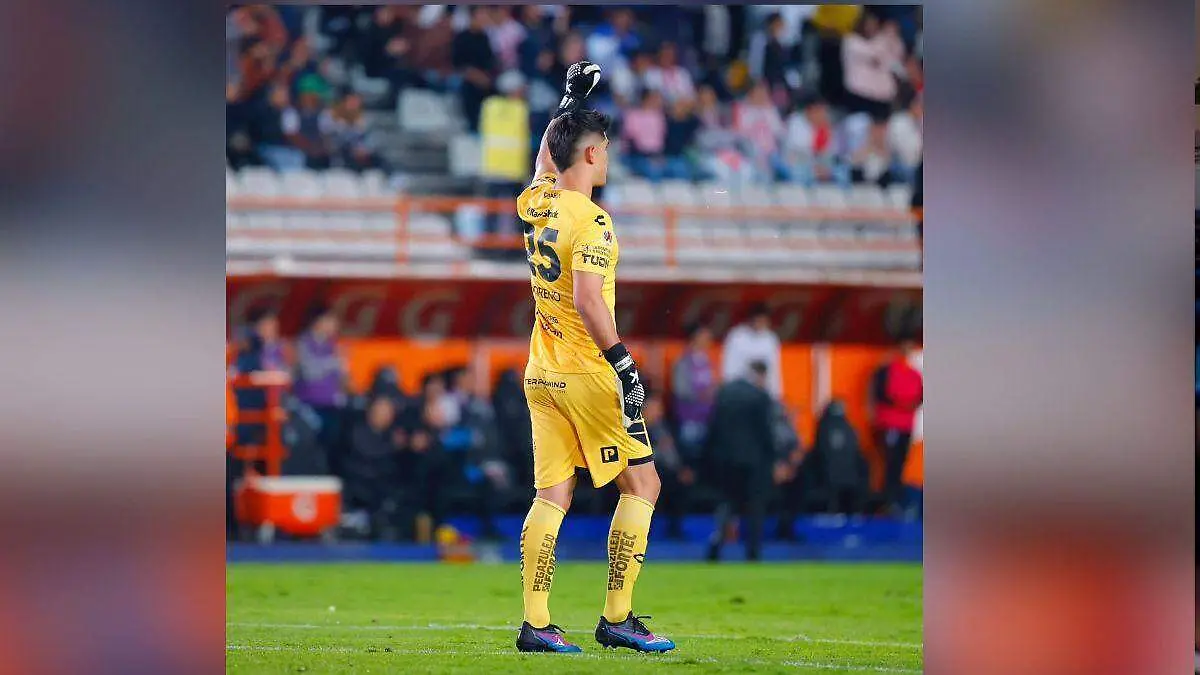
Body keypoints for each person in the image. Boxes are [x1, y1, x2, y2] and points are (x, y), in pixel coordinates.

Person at [512, 61, 675, 654]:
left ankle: (536, 623)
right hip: (588, 373)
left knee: (551, 495)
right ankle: (617, 617)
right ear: (589, 155)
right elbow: (587, 299)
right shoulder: (595, 222)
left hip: (542, 370)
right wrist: (624, 361)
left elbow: (544, 162)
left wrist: (566, 103)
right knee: (643, 483)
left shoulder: (538, 203)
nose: (606, 157)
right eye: (602, 148)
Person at [704, 361, 781, 562]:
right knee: (755, 506)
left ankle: (716, 545)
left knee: (727, 504)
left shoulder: (725, 393)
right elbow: (766, 433)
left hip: (727, 461)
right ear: (761, 375)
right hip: (755, 463)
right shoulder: (760, 396)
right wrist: (774, 459)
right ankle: (753, 551)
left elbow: (713, 428)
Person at [292, 306, 348, 476]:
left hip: (332, 405)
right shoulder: (303, 343)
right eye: (330, 321)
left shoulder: (333, 346)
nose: (334, 325)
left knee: (333, 445)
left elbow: (342, 376)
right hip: (309, 407)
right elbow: (310, 372)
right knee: (312, 448)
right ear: (317, 322)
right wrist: (334, 361)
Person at [869, 339, 923, 513]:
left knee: (898, 463)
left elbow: (920, 397)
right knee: (889, 464)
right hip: (890, 424)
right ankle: (886, 502)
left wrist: (906, 405)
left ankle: (894, 501)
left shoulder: (915, 374)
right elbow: (881, 394)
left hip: (905, 425)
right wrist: (904, 405)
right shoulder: (886, 370)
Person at [671, 323, 717, 466]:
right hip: (689, 419)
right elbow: (680, 390)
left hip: (707, 418)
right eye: (705, 337)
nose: (708, 340)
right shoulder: (683, 362)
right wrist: (702, 394)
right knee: (690, 460)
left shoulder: (707, 361)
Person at [720, 303, 783, 399]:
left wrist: (777, 395)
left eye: (764, 321)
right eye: (758, 321)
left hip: (763, 392)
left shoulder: (770, 338)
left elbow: (774, 370)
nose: (761, 324)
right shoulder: (736, 336)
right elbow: (728, 368)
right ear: (750, 320)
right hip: (740, 391)